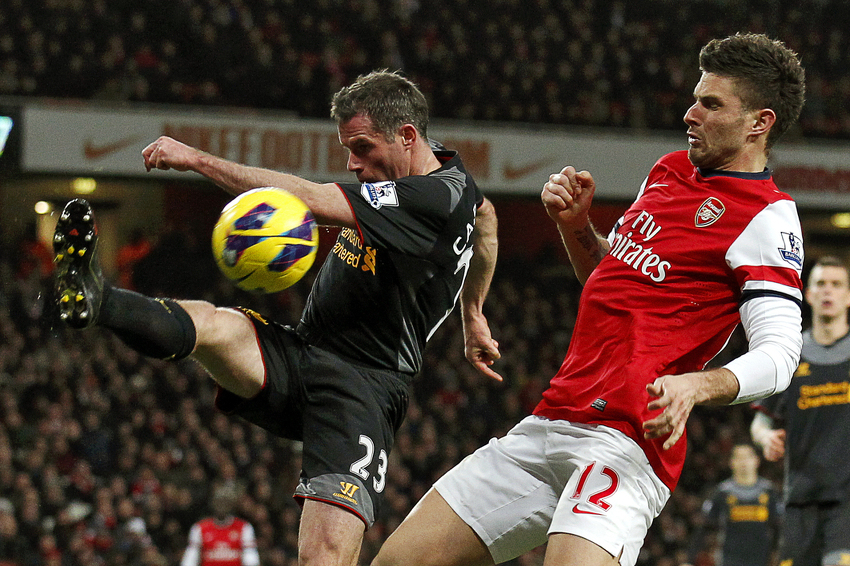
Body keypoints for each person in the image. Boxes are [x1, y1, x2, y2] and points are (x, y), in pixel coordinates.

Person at [371, 32, 806, 566]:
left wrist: (696, 385)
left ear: (759, 122)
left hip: (626, 442)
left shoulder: (768, 216)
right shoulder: (669, 171)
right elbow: (614, 279)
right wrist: (576, 226)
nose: (690, 114)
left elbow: (782, 355)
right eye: (695, 97)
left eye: (710, 104)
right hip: (552, 420)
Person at [52, 69, 501, 566]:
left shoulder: (432, 199)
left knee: (323, 556)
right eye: (348, 148)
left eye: (362, 148)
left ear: (406, 136)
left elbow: (306, 200)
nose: (353, 163)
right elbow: (486, 218)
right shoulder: (443, 171)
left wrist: (197, 159)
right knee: (213, 325)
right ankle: (96, 297)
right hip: (304, 349)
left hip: (362, 389)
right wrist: (473, 313)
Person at [751, 255, 850, 566]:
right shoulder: (790, 357)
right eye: (821, 284)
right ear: (808, 294)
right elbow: (759, 422)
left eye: (836, 285)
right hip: (800, 501)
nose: (828, 292)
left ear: (848, 296)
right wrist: (765, 437)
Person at [683, 443, 781, 566]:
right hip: (730, 560)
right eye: (739, 457)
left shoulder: (769, 492)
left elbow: (780, 528)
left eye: (747, 457)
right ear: (731, 462)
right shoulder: (722, 493)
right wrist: (689, 560)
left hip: (761, 560)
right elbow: (703, 528)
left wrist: (782, 556)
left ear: (756, 461)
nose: (743, 462)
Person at [180, 488, 260, 566]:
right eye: (219, 502)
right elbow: (190, 559)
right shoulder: (199, 528)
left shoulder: (244, 527)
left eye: (225, 502)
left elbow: (250, 558)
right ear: (213, 503)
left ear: (230, 505)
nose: (221, 506)